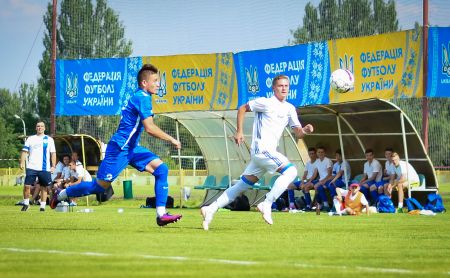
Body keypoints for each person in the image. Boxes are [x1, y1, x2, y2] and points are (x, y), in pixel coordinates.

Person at [51, 64, 182, 226]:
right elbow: (150, 128)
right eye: (155, 81)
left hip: (132, 148)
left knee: (162, 169)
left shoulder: (140, 96)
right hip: (120, 149)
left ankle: (161, 215)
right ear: (144, 83)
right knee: (99, 187)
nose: (158, 84)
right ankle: (61, 194)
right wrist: (172, 139)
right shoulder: (142, 97)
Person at [200, 75, 314, 230]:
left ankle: (210, 208)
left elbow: (298, 133)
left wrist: (305, 130)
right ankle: (267, 203)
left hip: (265, 154)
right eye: (280, 86)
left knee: (241, 186)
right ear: (274, 88)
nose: (284, 88)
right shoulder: (265, 102)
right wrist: (239, 131)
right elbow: (242, 108)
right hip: (262, 150)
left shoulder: (289, 108)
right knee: (291, 171)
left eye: (286, 86)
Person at [19, 121, 56, 211]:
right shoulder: (30, 139)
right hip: (31, 167)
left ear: (44, 128)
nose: (39, 127)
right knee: (27, 186)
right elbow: (24, 151)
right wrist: (21, 162)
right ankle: (26, 204)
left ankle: (42, 206)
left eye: (41, 126)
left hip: (44, 168)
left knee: (44, 187)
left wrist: (53, 165)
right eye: (38, 126)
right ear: (36, 128)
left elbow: (53, 153)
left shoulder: (49, 139)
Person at [309, 146, 333, 210]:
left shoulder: (328, 161)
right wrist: (309, 181)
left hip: (328, 179)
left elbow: (329, 174)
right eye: (319, 152)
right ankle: (310, 205)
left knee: (317, 186)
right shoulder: (317, 161)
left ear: (325, 153)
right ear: (317, 153)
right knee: (310, 187)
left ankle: (320, 204)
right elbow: (314, 174)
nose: (320, 153)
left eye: (322, 152)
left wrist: (323, 181)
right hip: (321, 180)